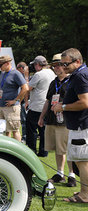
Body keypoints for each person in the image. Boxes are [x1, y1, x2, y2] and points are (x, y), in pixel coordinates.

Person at [52, 48, 88, 202]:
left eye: (66, 64)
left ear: (77, 61)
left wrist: (63, 107)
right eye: (61, 63)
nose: (63, 67)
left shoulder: (80, 75)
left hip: (81, 125)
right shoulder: (79, 74)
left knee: (82, 161)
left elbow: (85, 102)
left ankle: (85, 194)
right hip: (79, 124)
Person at [38, 54, 76, 186]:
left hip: (66, 120)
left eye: (59, 65)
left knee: (67, 148)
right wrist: (42, 117)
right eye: (54, 65)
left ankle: (71, 174)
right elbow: (48, 101)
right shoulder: (53, 82)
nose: (57, 68)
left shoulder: (72, 81)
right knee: (56, 148)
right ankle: (60, 173)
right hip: (52, 119)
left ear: (65, 66)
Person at [26, 56, 56, 156]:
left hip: (36, 105)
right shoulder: (51, 72)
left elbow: (28, 88)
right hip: (47, 104)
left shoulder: (38, 74)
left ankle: (31, 150)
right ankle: (44, 151)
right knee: (43, 130)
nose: (34, 67)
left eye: (35, 64)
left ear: (38, 64)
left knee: (32, 129)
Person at [0, 55, 29, 141]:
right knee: (4, 130)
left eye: (0, 65)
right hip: (2, 106)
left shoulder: (16, 73)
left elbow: (25, 88)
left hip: (11, 107)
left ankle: (18, 150)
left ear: (7, 63)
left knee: (15, 130)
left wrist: (16, 100)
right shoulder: (3, 73)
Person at [16, 62, 30, 142]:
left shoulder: (25, 77)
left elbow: (26, 89)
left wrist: (25, 101)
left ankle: (25, 137)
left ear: (21, 68)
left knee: (24, 120)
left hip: (23, 102)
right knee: (22, 120)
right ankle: (24, 137)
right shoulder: (19, 76)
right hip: (21, 101)